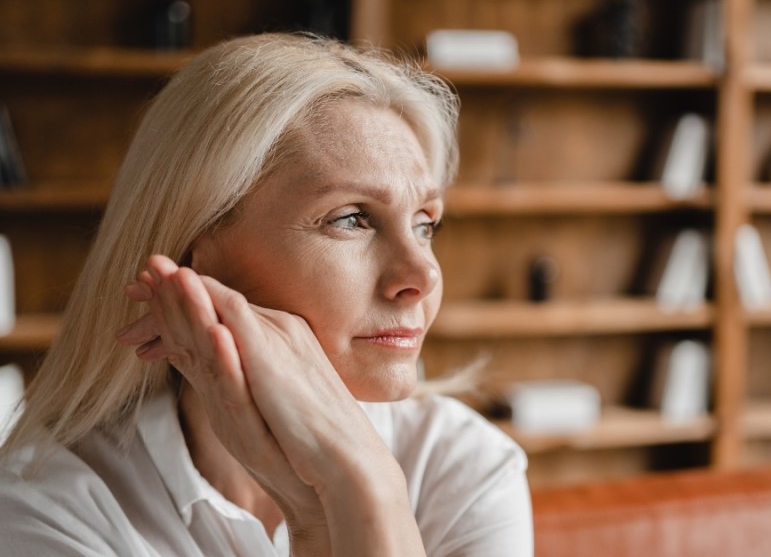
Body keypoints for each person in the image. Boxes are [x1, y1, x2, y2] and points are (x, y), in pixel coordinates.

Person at [0, 33, 533, 556]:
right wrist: (342, 502)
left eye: (424, 223)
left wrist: (361, 490)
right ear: (191, 259)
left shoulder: (466, 465)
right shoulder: (48, 507)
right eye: (351, 219)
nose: (423, 274)